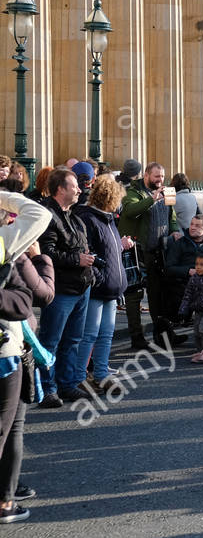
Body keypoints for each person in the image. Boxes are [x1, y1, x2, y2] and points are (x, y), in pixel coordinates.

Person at [0, 190, 54, 527]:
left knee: (13, 428)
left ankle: (6, 498)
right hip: (7, 350)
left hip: (13, 347)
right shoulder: (10, 246)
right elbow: (38, 296)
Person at [36, 168, 96, 407]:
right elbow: (46, 253)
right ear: (61, 189)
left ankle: (67, 384)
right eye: (75, 186)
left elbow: (82, 247)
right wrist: (77, 260)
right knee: (51, 340)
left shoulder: (74, 216)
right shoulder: (47, 215)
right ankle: (47, 389)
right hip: (60, 289)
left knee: (73, 339)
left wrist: (88, 265)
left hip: (81, 287)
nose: (80, 189)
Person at [72, 175, 130, 396]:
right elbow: (91, 253)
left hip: (110, 287)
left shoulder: (107, 219)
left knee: (105, 334)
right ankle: (79, 377)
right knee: (90, 334)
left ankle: (101, 374)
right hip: (99, 287)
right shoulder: (89, 219)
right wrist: (99, 277)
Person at [118, 161, 182, 348]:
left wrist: (174, 230)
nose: (160, 180)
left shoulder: (167, 191)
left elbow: (172, 216)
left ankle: (164, 337)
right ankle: (137, 338)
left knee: (158, 296)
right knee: (134, 295)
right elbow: (130, 211)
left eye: (162, 177)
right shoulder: (133, 192)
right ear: (146, 176)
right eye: (156, 177)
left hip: (158, 251)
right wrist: (151, 199)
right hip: (137, 251)